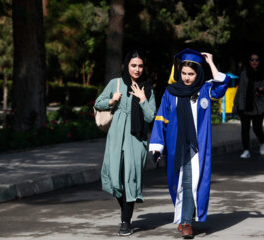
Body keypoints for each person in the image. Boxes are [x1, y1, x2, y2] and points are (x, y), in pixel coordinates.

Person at [149, 49, 231, 239]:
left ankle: (186, 222)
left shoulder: (205, 90)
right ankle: (184, 216)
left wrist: (210, 62)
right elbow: (161, 119)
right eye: (184, 73)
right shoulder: (170, 93)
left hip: (197, 146)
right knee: (176, 184)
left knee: (190, 182)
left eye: (191, 74)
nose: (187, 78)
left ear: (198, 74)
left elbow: (223, 83)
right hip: (175, 143)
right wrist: (156, 146)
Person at [94, 50, 156, 236]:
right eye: (133, 65)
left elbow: (151, 116)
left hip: (136, 139)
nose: (137, 69)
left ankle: (125, 221)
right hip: (116, 137)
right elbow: (99, 102)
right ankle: (125, 214)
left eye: (140, 66)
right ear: (127, 65)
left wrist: (143, 99)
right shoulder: (116, 83)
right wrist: (112, 100)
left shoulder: (147, 88)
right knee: (116, 179)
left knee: (130, 179)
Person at [233, 53, 264, 158]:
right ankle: (246, 150)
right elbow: (240, 90)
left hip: (258, 106)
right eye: (252, 59)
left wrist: (262, 90)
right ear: (249, 61)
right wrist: (236, 104)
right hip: (244, 106)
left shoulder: (263, 74)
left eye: (257, 60)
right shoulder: (244, 73)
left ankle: (262, 143)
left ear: (259, 62)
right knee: (245, 129)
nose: (254, 62)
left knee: (257, 128)